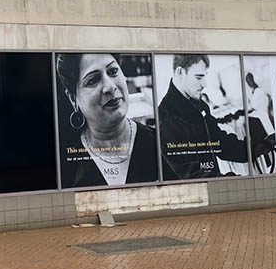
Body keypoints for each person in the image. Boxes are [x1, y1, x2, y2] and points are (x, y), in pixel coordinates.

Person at [56, 53, 157, 187]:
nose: (110, 86)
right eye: (93, 80)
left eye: (113, 71)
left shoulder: (159, 143)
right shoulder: (64, 164)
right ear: (73, 98)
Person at [158, 54, 250, 179]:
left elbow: (221, 143)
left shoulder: (200, 106)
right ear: (180, 72)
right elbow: (192, 174)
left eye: (204, 77)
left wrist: (256, 147)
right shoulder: (166, 118)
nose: (204, 84)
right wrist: (230, 179)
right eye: (199, 77)